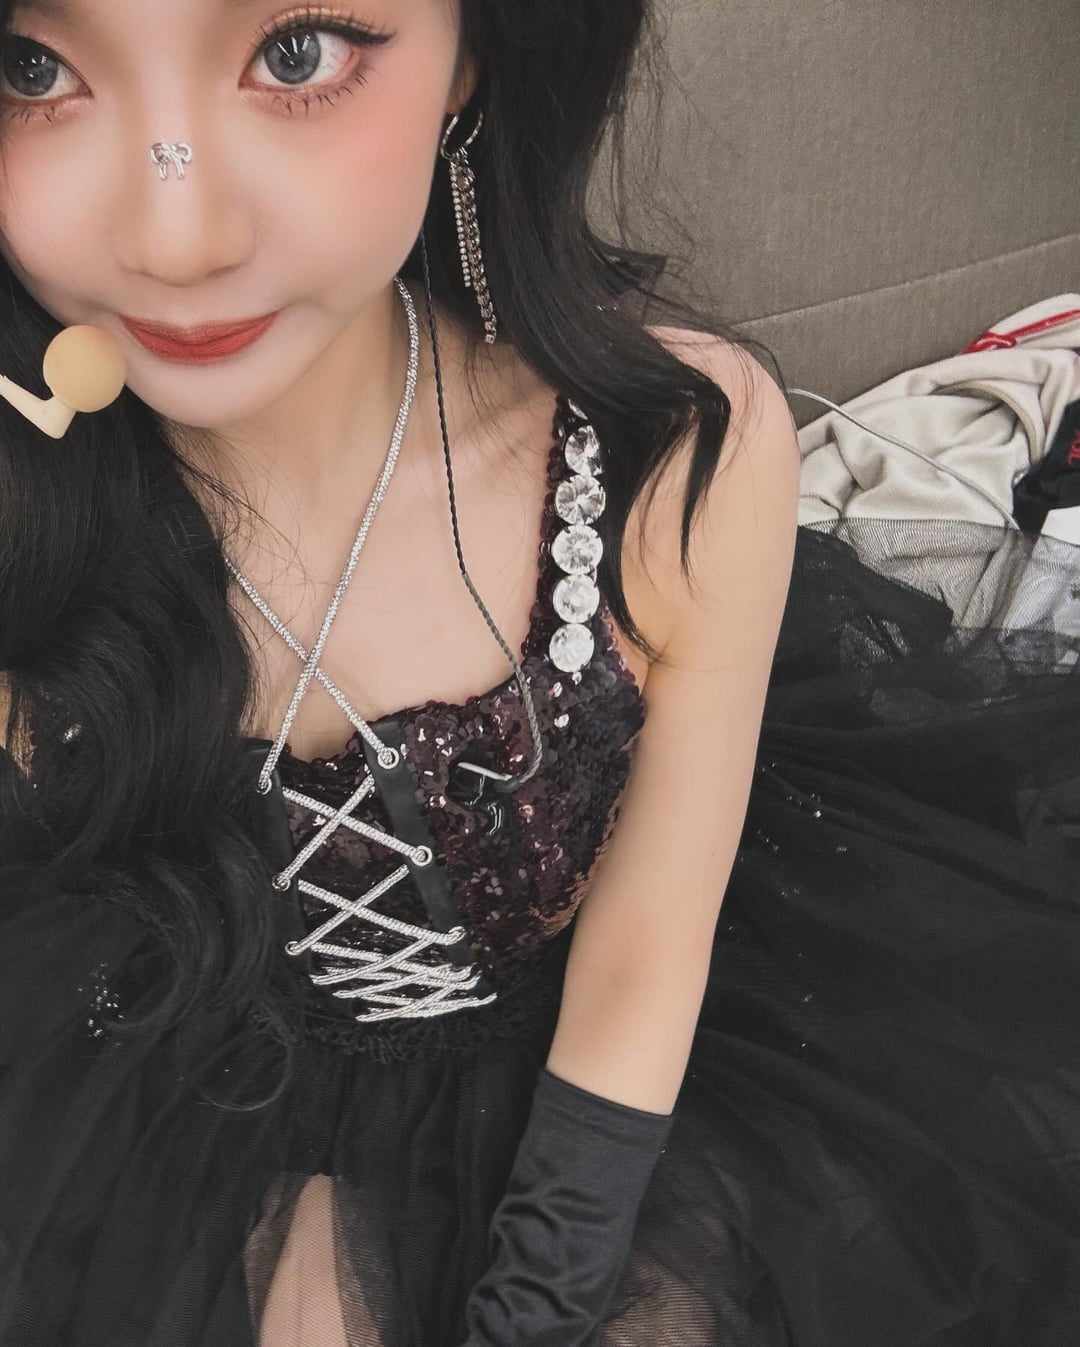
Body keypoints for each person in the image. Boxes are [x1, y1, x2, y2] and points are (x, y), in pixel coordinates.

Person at [0, 2, 1077, 1346]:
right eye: (28, 66)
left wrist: (537, 1309)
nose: (176, 238)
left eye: (297, 52)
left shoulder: (668, 448)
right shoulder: (28, 522)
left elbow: (645, 952)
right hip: (181, 1086)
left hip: (624, 1050)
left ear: (473, 46)